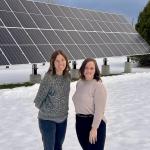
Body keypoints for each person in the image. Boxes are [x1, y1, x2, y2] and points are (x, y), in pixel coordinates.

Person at [34, 50, 71, 150]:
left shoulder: (67, 77)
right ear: (53, 63)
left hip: (63, 119)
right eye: (57, 61)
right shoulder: (48, 78)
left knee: (58, 147)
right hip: (47, 120)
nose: (60, 63)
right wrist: (49, 110)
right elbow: (37, 101)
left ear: (66, 61)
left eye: (62, 60)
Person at [73, 58, 107, 150]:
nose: (89, 70)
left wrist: (94, 128)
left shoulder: (98, 86)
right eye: (86, 68)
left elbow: (100, 110)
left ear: (95, 70)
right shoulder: (79, 83)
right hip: (80, 123)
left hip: (94, 124)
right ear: (83, 69)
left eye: (92, 68)